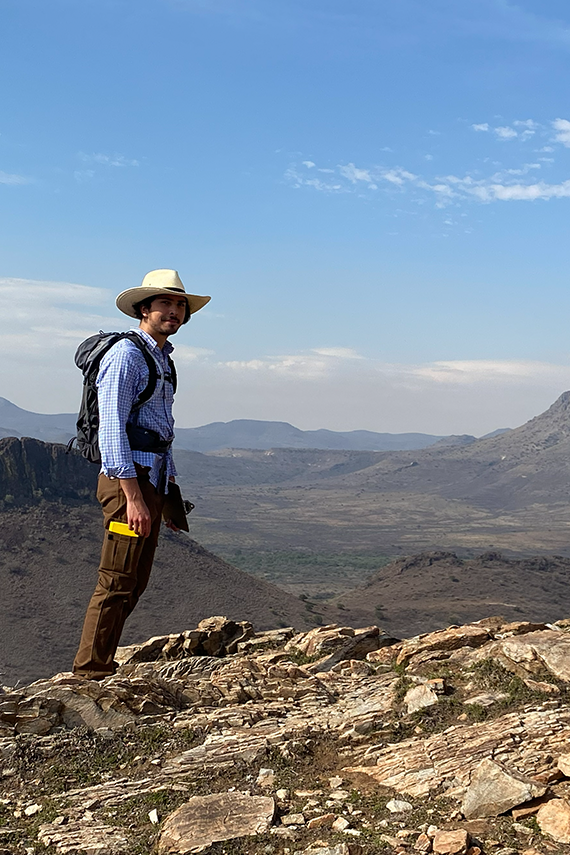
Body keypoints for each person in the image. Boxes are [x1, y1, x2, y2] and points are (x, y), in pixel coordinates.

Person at [72, 269, 210, 680]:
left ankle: (102, 662)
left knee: (135, 579)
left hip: (151, 480)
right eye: (164, 303)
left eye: (180, 304)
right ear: (143, 309)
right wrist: (133, 497)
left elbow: (161, 431)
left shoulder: (162, 359)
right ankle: (90, 673)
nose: (174, 311)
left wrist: (167, 496)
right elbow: (113, 428)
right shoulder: (127, 356)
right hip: (127, 483)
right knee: (117, 578)